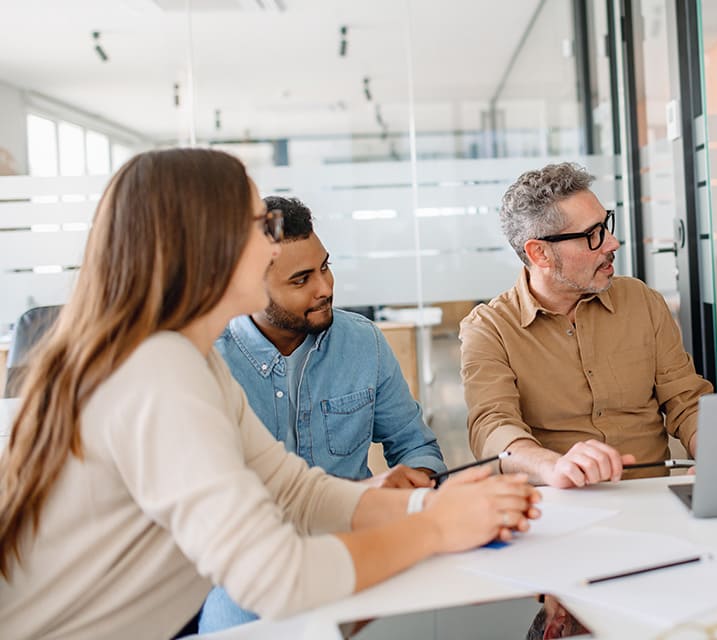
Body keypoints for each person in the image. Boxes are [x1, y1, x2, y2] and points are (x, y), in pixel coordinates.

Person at [0, 148, 538, 640]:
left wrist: (429, 502)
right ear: (208, 245)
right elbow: (277, 578)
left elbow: (295, 493)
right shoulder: (155, 371)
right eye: (261, 225)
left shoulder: (190, 358)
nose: (270, 242)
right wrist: (435, 528)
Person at [199, 195, 446, 632]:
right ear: (248, 289)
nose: (325, 288)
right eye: (301, 280)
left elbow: (415, 444)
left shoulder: (362, 342)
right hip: (252, 558)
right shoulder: (206, 362)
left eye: (325, 267)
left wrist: (416, 476)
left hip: (354, 541)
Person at [460, 162, 712, 488]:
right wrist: (553, 466)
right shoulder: (489, 329)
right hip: (559, 504)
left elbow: (686, 400)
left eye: (606, 225)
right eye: (593, 235)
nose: (612, 243)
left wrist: (711, 451)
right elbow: (492, 427)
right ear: (540, 254)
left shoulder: (641, 301)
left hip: (652, 495)